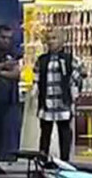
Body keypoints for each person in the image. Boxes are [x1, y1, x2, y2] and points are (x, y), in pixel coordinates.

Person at [34, 30, 85, 161]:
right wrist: (35, 89)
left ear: (62, 41)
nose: (51, 42)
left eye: (54, 38)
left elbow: (79, 73)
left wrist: (74, 89)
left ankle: (65, 160)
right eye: (49, 39)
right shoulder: (42, 60)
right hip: (46, 102)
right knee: (45, 133)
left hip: (63, 102)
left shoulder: (69, 59)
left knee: (65, 133)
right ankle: (42, 159)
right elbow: (37, 77)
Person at [0, 24, 21, 175]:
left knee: (1, 132)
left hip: (5, 99)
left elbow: (17, 73)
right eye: (3, 37)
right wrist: (2, 67)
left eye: (9, 38)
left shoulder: (12, 52)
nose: (6, 41)